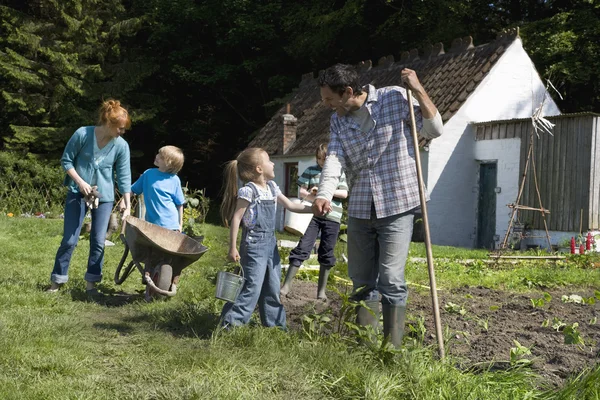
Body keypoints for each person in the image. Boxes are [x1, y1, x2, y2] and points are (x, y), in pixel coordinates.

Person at [312, 64, 443, 347]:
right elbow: (335, 158)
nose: (326, 105)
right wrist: (324, 193)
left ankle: (391, 351)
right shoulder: (338, 120)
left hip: (398, 203)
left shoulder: (394, 98)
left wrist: (418, 89)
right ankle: (366, 347)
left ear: (348, 92)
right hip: (360, 205)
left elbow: (435, 129)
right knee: (361, 280)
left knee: (392, 279)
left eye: (329, 99)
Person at [219, 147, 313, 328]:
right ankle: (230, 325)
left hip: (270, 244)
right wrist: (232, 247)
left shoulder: (271, 187)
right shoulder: (250, 190)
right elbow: (236, 218)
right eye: (269, 161)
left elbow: (291, 206)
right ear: (259, 169)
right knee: (251, 287)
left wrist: (314, 208)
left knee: (272, 286)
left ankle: (276, 326)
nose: (272, 164)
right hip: (254, 245)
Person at [48, 99, 132, 295]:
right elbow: (66, 161)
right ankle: (57, 281)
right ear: (109, 123)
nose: (122, 132)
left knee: (98, 240)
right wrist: (80, 183)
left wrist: (127, 203)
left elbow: (124, 175)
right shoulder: (82, 134)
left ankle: (91, 285)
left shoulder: (121, 146)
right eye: (120, 128)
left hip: (104, 197)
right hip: (77, 193)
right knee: (69, 239)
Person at [280, 143, 348, 300]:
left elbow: (344, 193)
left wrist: (324, 193)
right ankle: (286, 286)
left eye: (324, 159)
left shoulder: (338, 172)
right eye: (318, 159)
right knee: (303, 247)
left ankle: (321, 292)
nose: (321, 162)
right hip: (315, 216)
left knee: (327, 252)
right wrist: (316, 196)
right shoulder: (311, 170)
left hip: (333, 218)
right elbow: (302, 192)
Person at [130, 146, 185, 231]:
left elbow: (179, 204)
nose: (157, 156)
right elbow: (133, 190)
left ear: (169, 163)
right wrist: (123, 202)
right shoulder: (148, 174)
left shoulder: (174, 180)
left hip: (170, 225)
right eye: (158, 153)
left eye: (161, 157)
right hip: (151, 223)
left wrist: (180, 224)